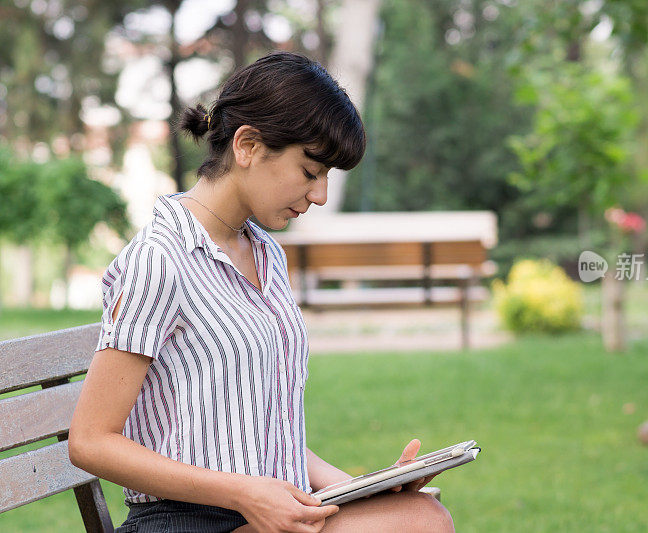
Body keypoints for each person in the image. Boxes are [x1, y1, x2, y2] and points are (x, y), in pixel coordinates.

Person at [69, 51, 455, 533]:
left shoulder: (267, 254)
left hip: (272, 509)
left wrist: (364, 488)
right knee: (421, 525)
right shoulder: (159, 260)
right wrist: (243, 492)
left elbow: (259, 427)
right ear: (248, 145)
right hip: (188, 521)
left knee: (416, 514)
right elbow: (90, 440)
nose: (321, 196)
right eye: (311, 171)